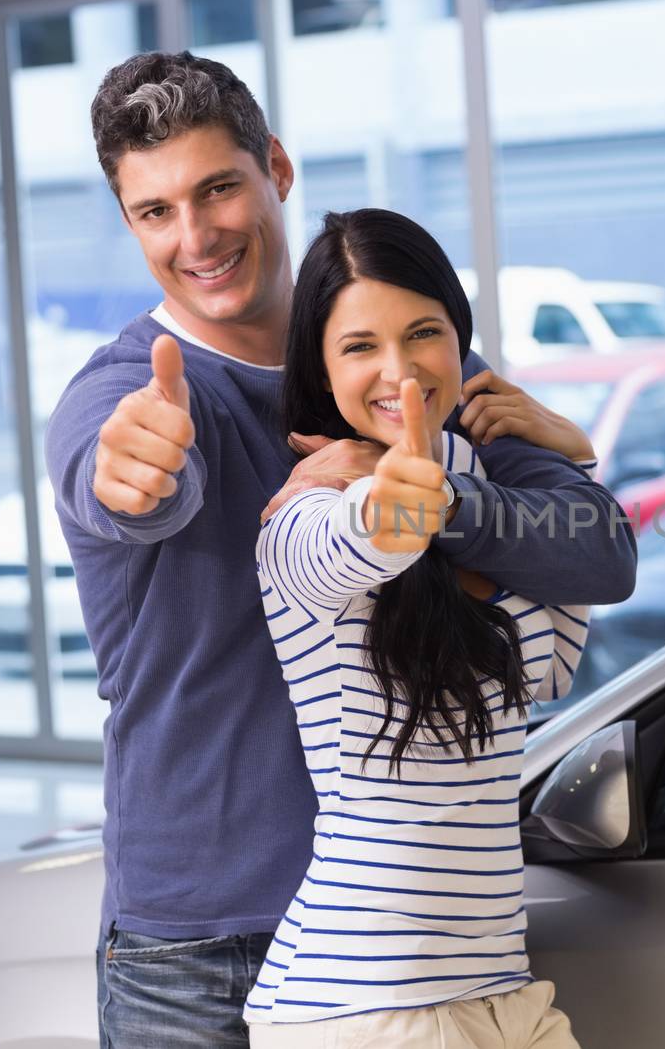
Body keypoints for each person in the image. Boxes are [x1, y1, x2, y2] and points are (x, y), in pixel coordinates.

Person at [45, 51, 635, 1048]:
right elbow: (128, 490)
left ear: (274, 166)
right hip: (202, 947)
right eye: (154, 212)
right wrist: (132, 480)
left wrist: (471, 479)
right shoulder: (123, 401)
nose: (195, 237)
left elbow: (599, 553)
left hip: (419, 945)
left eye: (218, 188)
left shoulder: (400, 364)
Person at [246, 208, 589, 1048]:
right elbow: (355, 542)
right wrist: (395, 501)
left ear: (459, 345)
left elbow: (562, 642)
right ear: (323, 373)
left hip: (504, 991)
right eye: (359, 345)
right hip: (363, 1005)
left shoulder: (492, 523)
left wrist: (572, 458)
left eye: (423, 333)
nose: (398, 370)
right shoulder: (301, 519)